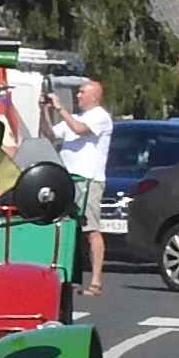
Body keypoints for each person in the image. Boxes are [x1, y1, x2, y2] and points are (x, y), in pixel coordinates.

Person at [44, 74, 113, 286]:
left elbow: (79, 130)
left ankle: (96, 278)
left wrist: (60, 108)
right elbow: (49, 135)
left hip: (89, 179)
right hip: (69, 178)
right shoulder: (75, 117)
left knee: (90, 228)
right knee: (64, 224)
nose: (78, 96)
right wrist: (45, 111)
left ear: (94, 96)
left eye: (82, 92)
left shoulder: (100, 117)